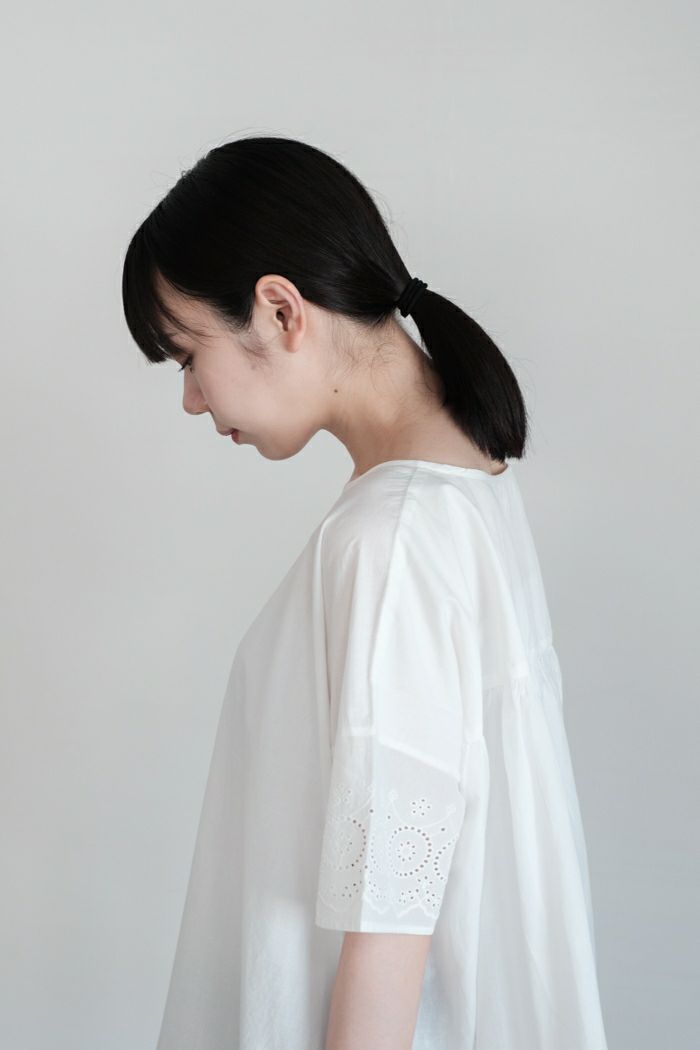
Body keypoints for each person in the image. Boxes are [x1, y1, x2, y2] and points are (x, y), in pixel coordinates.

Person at [122, 136, 609, 1050]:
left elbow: (391, 926)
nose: (191, 398)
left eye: (186, 356)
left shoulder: (394, 539)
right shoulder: (466, 491)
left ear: (280, 310)